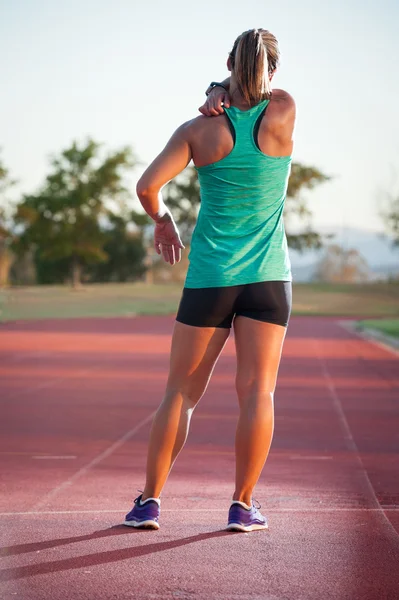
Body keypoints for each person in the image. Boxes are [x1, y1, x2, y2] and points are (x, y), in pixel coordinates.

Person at [124, 28, 296, 532]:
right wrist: (221, 86)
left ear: (227, 62)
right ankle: (243, 505)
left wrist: (163, 220)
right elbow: (257, 84)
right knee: (258, 393)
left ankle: (148, 503)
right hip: (268, 280)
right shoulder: (284, 110)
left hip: (211, 279)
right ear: (273, 69)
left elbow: (147, 186)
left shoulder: (196, 131)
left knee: (179, 393)